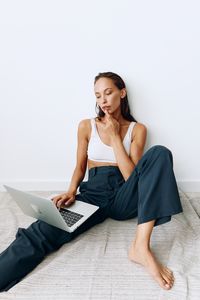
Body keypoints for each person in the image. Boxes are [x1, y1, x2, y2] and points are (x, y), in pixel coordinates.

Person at [0, 71, 183, 292]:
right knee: (42, 230)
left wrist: (116, 136)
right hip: (93, 194)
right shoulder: (87, 126)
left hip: (124, 196)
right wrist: (70, 191)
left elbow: (131, 177)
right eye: (97, 96)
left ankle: (140, 247)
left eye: (108, 93)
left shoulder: (137, 129)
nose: (103, 100)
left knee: (160, 153)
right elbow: (80, 166)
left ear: (122, 93)